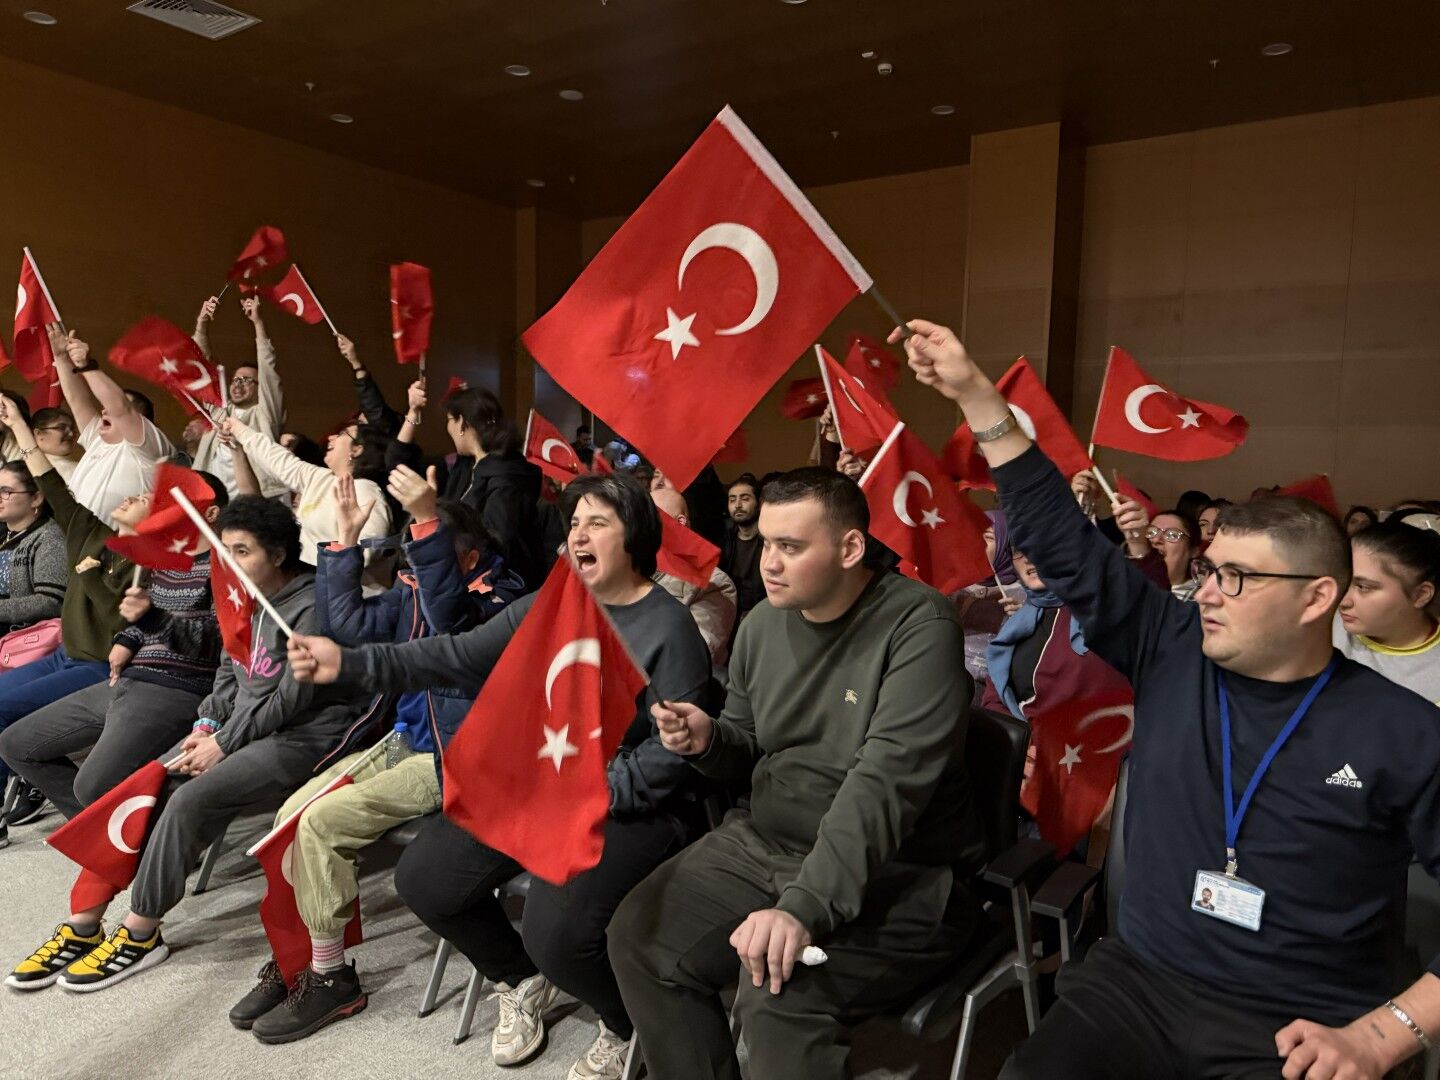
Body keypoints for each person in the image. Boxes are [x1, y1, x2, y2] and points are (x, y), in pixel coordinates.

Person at [896, 316, 1440, 1080]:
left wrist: (1387, 1034)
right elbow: (1062, 541)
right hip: (1137, 985)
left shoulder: (1405, 731)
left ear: (1318, 597)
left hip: (1302, 1019)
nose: (1210, 593)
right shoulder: (1172, 645)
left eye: (1238, 579)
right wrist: (978, 398)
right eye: (1212, 570)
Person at [286, 472, 711, 1079]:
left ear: (636, 536)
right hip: (543, 783)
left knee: (557, 930)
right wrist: (349, 663)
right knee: (426, 880)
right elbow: (453, 654)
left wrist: (585, 792)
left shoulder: (669, 629)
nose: (578, 535)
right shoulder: (551, 602)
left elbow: (670, 761)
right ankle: (522, 979)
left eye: (598, 523)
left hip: (628, 804)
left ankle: (621, 1023)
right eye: (574, 523)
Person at [609, 467, 987, 1080]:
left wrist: (803, 907)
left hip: (901, 871)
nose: (768, 563)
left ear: (850, 548)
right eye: (764, 542)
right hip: (767, 842)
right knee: (638, 936)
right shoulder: (761, 625)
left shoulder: (918, 626)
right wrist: (709, 740)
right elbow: (751, 746)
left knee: (776, 992)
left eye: (791, 546)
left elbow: (883, 788)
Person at [4, 497, 368, 993]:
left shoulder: (310, 604)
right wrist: (206, 722)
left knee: (187, 800)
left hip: (304, 735)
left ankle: (141, 931)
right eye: (227, 550)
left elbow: (291, 697)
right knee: (145, 788)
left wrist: (223, 740)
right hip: (240, 726)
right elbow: (228, 670)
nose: (231, 562)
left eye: (243, 551)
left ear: (279, 554)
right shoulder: (245, 596)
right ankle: (85, 922)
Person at [228, 486, 524, 1042]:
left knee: (321, 824)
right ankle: (300, 959)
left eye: (420, 555)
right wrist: (341, 544)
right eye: (407, 559)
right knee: (290, 816)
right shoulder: (417, 588)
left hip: (457, 756)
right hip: (408, 738)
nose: (406, 570)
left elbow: (452, 622)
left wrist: (425, 524)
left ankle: (332, 977)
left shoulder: (501, 598)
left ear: (462, 557)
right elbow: (346, 626)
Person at [391, 385, 548, 590]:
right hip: (459, 577)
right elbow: (397, 460)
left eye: (449, 420)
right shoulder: (466, 466)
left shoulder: (508, 476)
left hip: (494, 590)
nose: (448, 429)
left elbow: (499, 543)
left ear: (462, 423)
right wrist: (413, 412)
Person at [222, 415, 392, 590]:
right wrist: (238, 429)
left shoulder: (366, 489)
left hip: (351, 595)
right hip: (312, 590)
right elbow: (276, 459)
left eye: (341, 434)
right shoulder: (320, 477)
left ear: (356, 450)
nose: (331, 437)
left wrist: (342, 550)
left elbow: (371, 549)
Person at [46, 323, 174, 522]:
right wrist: (62, 359)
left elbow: (121, 407)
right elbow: (77, 400)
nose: (104, 409)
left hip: (114, 548)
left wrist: (85, 366)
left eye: (110, 405)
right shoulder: (98, 440)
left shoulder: (148, 449)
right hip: (76, 542)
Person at [190, 295, 288, 499]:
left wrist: (258, 324)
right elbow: (202, 365)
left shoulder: (264, 415)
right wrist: (202, 324)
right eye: (235, 379)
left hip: (256, 504)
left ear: (260, 388)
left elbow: (268, 369)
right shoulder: (220, 410)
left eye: (246, 380)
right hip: (215, 506)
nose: (238, 384)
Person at [1334, 519, 1440, 704]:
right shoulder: (1319, 628)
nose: (1343, 601)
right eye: (1343, 580)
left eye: (1363, 587)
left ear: (1421, 595)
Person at [650, 485, 737, 676]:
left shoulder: (714, 583)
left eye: (649, 515)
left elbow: (693, 657)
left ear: (679, 522)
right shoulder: (628, 571)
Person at [719, 474, 764, 622]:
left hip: (763, 615)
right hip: (729, 615)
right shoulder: (724, 542)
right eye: (732, 500)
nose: (737, 505)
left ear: (759, 504)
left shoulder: (770, 542)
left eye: (745, 499)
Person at [1149, 508, 1201, 600]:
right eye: (1151, 532)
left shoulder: (1200, 600)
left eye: (1172, 535)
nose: (1156, 539)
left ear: (1193, 551)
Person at [29, 407, 82, 483]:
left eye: (72, 428)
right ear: (39, 434)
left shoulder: (80, 469)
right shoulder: (23, 470)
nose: (71, 434)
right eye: (61, 428)